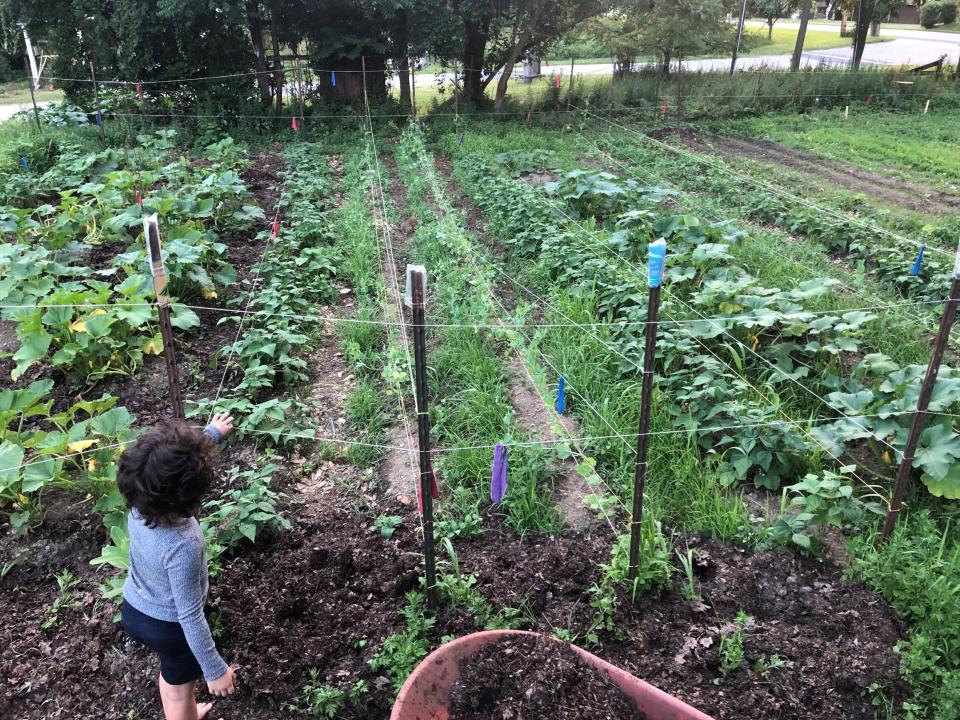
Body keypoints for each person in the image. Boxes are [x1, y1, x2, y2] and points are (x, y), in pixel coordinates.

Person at [117, 412, 237, 720]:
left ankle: (185, 713)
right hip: (171, 627)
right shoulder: (183, 546)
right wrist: (214, 669)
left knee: (173, 678)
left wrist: (211, 433)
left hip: (135, 608)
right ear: (191, 492)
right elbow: (190, 615)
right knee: (179, 687)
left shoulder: (139, 503)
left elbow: (165, 471)